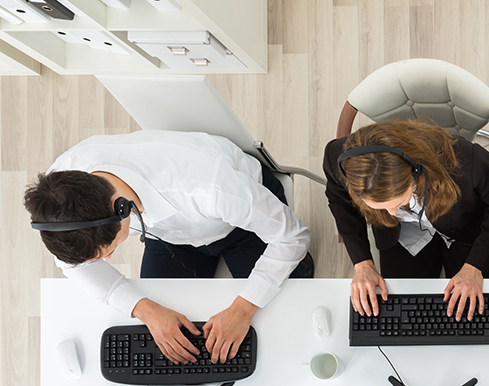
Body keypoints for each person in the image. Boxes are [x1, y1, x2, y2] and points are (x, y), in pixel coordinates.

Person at [25, 130, 313, 364]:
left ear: (122, 208)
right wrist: (145, 310)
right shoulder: (59, 195)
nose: (110, 257)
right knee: (167, 338)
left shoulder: (208, 187)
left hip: (240, 224)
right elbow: (74, 266)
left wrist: (241, 310)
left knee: (279, 318)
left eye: (109, 249)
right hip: (169, 235)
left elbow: (293, 237)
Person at [323, 119, 489, 320]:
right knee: (399, 309)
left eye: (400, 202)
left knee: (471, 309)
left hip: (463, 228)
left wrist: (474, 266)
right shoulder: (337, 159)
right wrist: (362, 263)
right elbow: (339, 200)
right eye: (381, 207)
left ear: (416, 172)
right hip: (398, 234)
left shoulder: (468, 160)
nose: (392, 213)